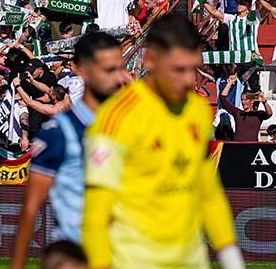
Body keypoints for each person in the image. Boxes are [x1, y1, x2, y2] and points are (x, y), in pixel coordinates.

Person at [82, 15, 244, 269]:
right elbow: (96, 212)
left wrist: (230, 255)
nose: (190, 79)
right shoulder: (117, 117)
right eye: (179, 69)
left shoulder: (198, 110)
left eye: (194, 68)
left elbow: (208, 191)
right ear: (151, 61)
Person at [10, 32, 128, 268]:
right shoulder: (58, 133)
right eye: (109, 70)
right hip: (76, 256)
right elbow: (31, 209)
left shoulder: (128, 127)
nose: (119, 78)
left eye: (120, 68)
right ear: (83, 70)